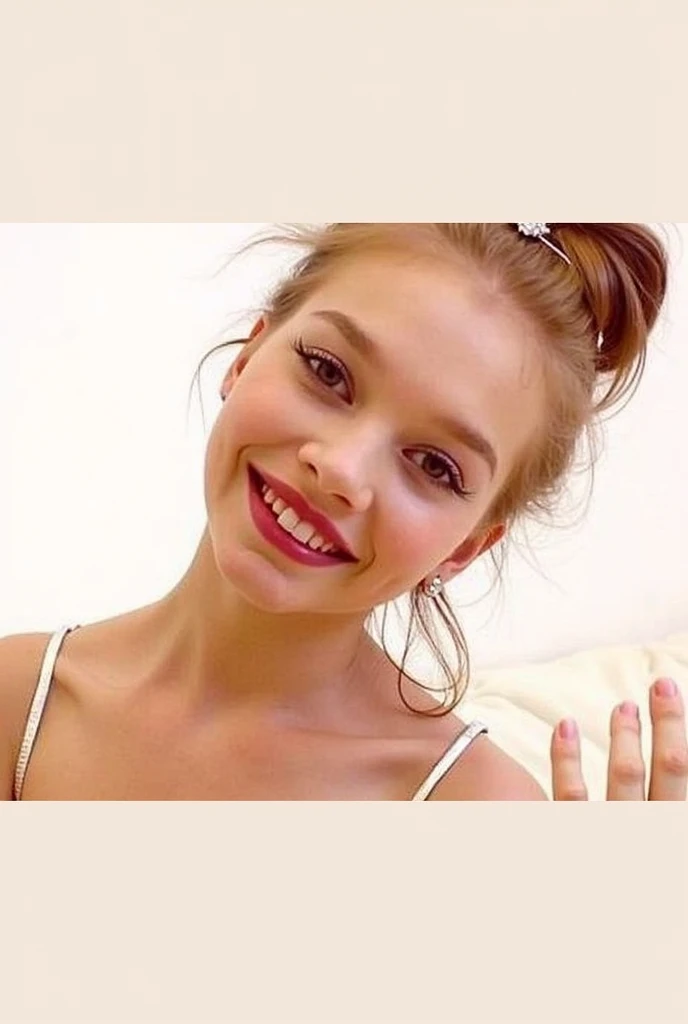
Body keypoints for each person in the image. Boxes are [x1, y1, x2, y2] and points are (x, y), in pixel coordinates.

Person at [2, 222, 686, 801]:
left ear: (465, 547)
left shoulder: (471, 803)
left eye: (434, 466)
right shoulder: (22, 700)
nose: (341, 470)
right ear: (247, 357)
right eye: (328, 372)